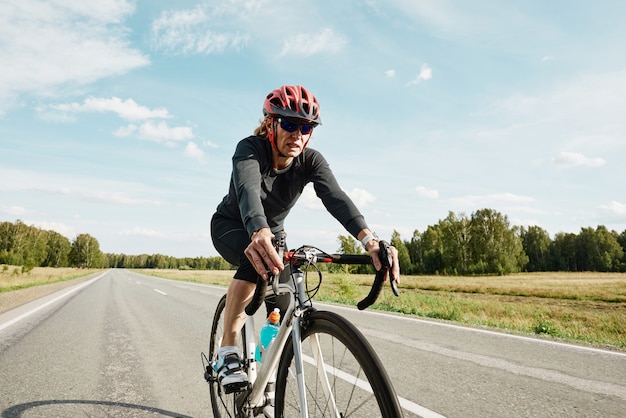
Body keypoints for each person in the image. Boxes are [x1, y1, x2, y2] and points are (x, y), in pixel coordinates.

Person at [210, 85, 400, 393]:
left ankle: (266, 360)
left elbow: (336, 198)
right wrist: (258, 231)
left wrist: (370, 241)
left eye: (306, 127)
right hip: (234, 225)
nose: (298, 133)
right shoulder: (249, 149)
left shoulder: (310, 161)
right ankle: (228, 349)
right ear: (271, 123)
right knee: (254, 260)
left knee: (283, 304)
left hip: (273, 235)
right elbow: (247, 191)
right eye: (289, 124)